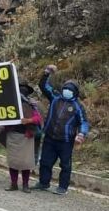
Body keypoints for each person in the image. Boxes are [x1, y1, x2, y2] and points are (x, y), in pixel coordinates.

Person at [34, 65, 90, 195]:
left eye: (69, 90)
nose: (66, 91)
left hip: (65, 141)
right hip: (49, 138)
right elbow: (43, 86)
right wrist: (47, 73)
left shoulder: (77, 106)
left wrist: (81, 133)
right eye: (65, 88)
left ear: (75, 92)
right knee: (45, 162)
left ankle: (63, 187)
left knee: (65, 165)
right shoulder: (55, 98)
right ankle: (43, 183)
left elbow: (84, 122)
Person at [0, 83, 42, 193]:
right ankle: (13, 184)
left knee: (26, 163)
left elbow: (38, 118)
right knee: (13, 161)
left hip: (26, 137)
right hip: (13, 135)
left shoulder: (31, 104)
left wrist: (29, 120)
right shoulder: (10, 103)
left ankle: (25, 185)